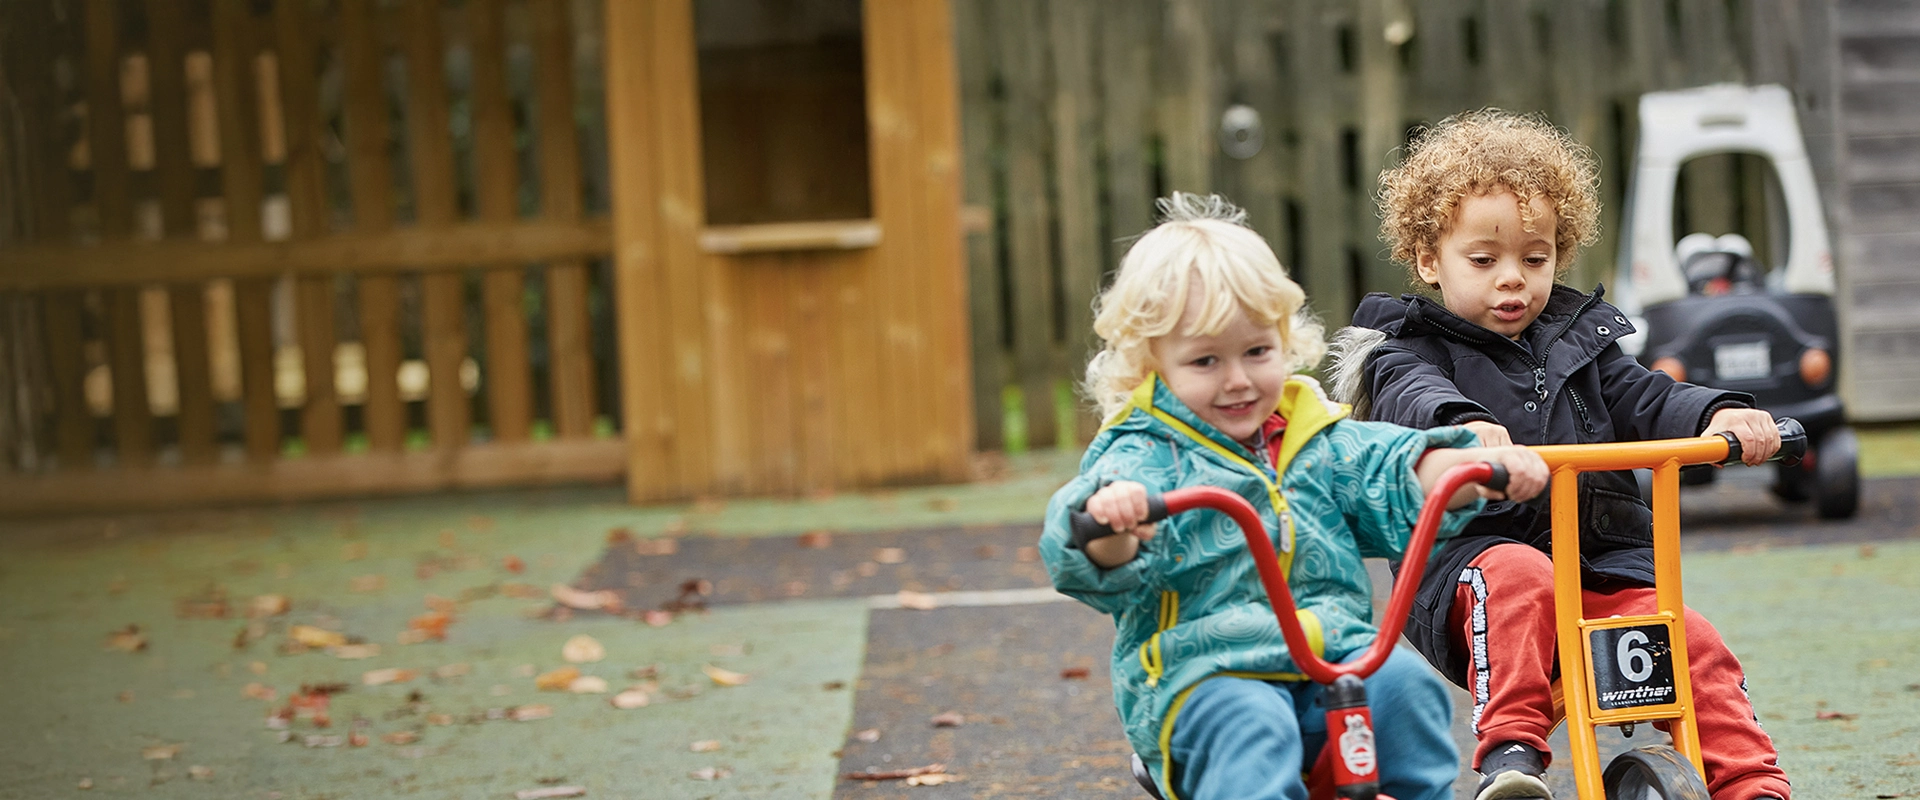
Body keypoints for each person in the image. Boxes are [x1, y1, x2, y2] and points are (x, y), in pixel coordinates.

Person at [1330, 109, 1792, 800]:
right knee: (1520, 575)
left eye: (1535, 258)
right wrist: (1467, 432)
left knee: (1691, 638)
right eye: (1484, 261)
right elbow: (1417, 400)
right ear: (1430, 259)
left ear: (1559, 253)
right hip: (1472, 572)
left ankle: (1752, 784)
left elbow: (1648, 398)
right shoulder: (1406, 352)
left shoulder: (1585, 346)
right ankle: (1512, 758)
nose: (1512, 279)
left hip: (1601, 571)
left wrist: (1720, 414)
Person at [1041, 192, 1550, 800]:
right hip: (1206, 676)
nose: (1238, 379)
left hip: (1335, 659)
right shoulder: (1142, 454)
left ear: (1284, 341)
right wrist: (1112, 524)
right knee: (1254, 727)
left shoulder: (1313, 435)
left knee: (1405, 690)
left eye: (1257, 352)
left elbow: (1385, 466)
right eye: (1205, 361)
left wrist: (1462, 463)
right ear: (1154, 363)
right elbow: (1081, 538)